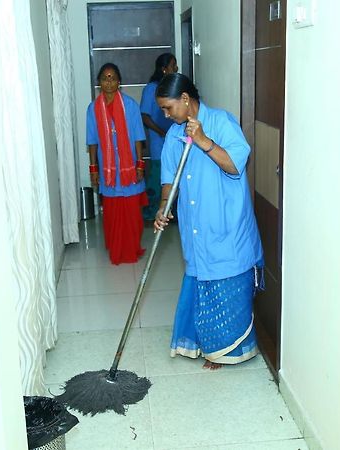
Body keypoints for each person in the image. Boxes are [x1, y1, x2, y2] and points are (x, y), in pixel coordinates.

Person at [154, 73, 264, 370]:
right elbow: (168, 179)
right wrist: (164, 207)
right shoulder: (174, 134)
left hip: (227, 223)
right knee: (202, 278)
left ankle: (227, 350)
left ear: (186, 100)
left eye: (168, 108)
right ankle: (209, 344)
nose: (165, 115)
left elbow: (234, 164)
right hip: (196, 224)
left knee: (226, 280)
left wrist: (203, 141)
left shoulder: (222, 122)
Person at [86, 63, 148, 265]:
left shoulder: (130, 105)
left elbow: (139, 137)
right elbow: (92, 141)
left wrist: (140, 164)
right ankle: (116, 248)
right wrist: (93, 169)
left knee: (132, 214)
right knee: (112, 213)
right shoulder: (93, 109)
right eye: (105, 78)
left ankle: (131, 249)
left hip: (129, 170)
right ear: (99, 83)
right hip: (108, 172)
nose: (109, 81)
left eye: (112, 78)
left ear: (119, 81)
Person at [140, 53, 178, 221]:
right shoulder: (151, 89)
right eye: (172, 65)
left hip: (175, 142)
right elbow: (145, 116)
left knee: (175, 178)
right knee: (158, 179)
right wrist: (161, 132)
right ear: (164, 69)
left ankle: (170, 212)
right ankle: (149, 214)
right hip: (159, 142)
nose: (175, 68)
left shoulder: (173, 88)